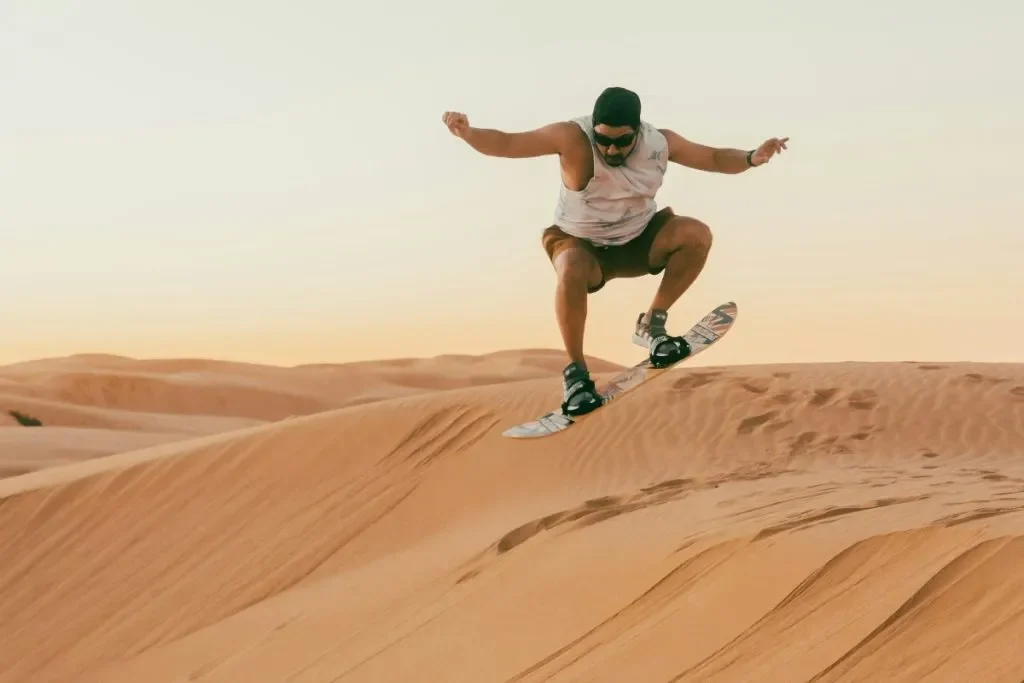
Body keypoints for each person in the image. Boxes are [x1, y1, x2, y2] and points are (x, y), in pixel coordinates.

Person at [442, 86, 788, 417]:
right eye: (603, 140)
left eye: (621, 141)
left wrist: (751, 158)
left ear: (637, 132)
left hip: (639, 239)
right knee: (571, 265)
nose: (610, 150)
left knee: (696, 234)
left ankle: (653, 326)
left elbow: (711, 157)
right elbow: (507, 143)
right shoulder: (571, 137)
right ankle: (576, 374)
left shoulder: (660, 142)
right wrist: (469, 133)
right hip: (581, 243)